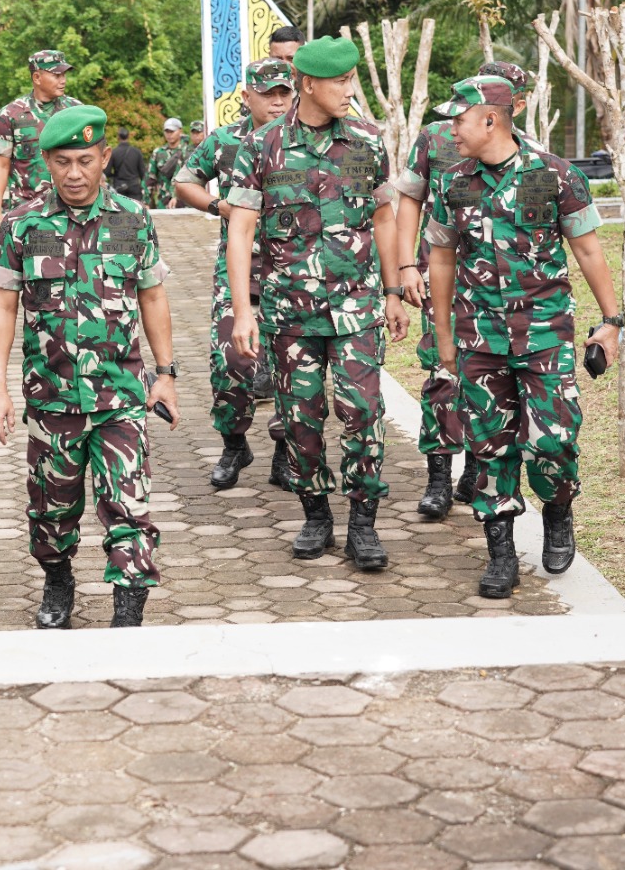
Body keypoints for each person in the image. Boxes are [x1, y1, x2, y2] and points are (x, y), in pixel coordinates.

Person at [425, 75, 621, 599]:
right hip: (478, 336)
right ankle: (501, 550)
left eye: (459, 120)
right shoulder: (452, 182)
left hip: (545, 333)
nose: (452, 130)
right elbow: (441, 258)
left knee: (554, 440)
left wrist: (612, 320)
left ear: (490, 119)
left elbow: (588, 250)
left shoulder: (557, 176)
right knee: (490, 447)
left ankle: (558, 509)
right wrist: (443, 332)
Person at [0, 104, 178, 630]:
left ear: (104, 158)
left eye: (86, 161)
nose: (75, 173)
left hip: (121, 394)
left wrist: (166, 374)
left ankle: (128, 611)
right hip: (51, 399)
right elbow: (3, 308)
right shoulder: (22, 224)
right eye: (63, 161)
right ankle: (57, 578)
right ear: (46, 161)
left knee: (129, 506)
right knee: (52, 511)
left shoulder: (133, 219)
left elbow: (153, 298)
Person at [224, 36, 409, 570]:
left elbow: (382, 218)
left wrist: (395, 290)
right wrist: (243, 310)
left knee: (364, 412)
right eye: (340, 81)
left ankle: (364, 524)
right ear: (308, 83)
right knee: (301, 416)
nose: (350, 90)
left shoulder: (369, 141)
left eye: (351, 79)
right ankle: (315, 515)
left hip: (356, 309)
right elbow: (241, 230)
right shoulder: (262, 147)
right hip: (291, 314)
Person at [394, 61, 533, 518]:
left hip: (500, 293)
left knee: (490, 384)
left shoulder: (530, 153)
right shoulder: (437, 136)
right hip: (441, 276)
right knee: (442, 374)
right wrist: (404, 267)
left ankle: (476, 470)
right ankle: (438, 476)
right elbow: (411, 198)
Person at [176, 57, 294, 491]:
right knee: (229, 362)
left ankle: (285, 452)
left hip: (293, 276)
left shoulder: (302, 140)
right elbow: (184, 180)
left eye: (285, 93)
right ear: (248, 97)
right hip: (238, 274)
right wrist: (218, 206)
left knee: (291, 370)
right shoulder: (226, 141)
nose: (277, 102)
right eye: (268, 95)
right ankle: (234, 443)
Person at [0, 50, 82, 237]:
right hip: (27, 212)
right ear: (37, 77)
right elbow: (1, 165)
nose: (63, 80)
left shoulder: (76, 111)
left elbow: (90, 158)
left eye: (64, 74)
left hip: (70, 210)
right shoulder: (11, 114)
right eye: (56, 75)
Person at [145, 119, 186, 210]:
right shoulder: (158, 153)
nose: (169, 135)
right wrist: (146, 202)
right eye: (167, 131)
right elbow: (150, 178)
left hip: (185, 204)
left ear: (180, 131)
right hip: (163, 203)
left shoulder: (188, 152)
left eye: (172, 131)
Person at [106, 128, 145, 202]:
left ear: (118, 137)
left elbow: (107, 172)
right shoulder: (136, 152)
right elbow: (143, 173)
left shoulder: (114, 152)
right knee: (135, 210)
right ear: (128, 136)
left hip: (119, 186)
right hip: (134, 186)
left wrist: (115, 176)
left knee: (120, 210)